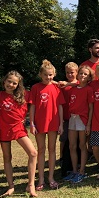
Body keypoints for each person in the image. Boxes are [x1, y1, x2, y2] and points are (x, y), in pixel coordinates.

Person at [0, 72, 38, 196]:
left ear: (18, 84)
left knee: (33, 153)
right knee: (7, 157)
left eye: (14, 83)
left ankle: (31, 185)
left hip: (18, 129)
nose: (11, 84)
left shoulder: (24, 94)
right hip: (4, 130)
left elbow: (38, 98)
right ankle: (11, 186)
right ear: (4, 81)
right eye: (9, 81)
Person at [29, 60, 65, 190]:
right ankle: (41, 179)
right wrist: (32, 123)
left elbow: (60, 107)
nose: (48, 77)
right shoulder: (35, 88)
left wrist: (61, 124)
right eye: (46, 75)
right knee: (41, 150)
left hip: (53, 123)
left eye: (50, 75)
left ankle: (51, 177)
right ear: (40, 75)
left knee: (52, 150)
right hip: (39, 123)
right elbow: (32, 106)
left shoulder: (56, 88)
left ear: (54, 74)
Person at [64, 65, 94, 183]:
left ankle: (82, 171)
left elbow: (91, 108)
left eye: (85, 74)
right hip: (73, 118)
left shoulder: (89, 89)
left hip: (83, 119)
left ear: (89, 77)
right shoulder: (74, 88)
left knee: (82, 146)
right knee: (72, 146)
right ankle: (75, 170)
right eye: (81, 73)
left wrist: (88, 124)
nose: (82, 76)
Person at [59, 62, 78, 166]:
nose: (70, 75)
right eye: (67, 73)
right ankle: (62, 157)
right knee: (64, 138)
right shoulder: (63, 86)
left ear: (77, 72)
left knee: (78, 141)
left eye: (72, 72)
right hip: (66, 117)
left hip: (78, 117)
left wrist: (67, 84)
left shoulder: (79, 84)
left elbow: (78, 83)